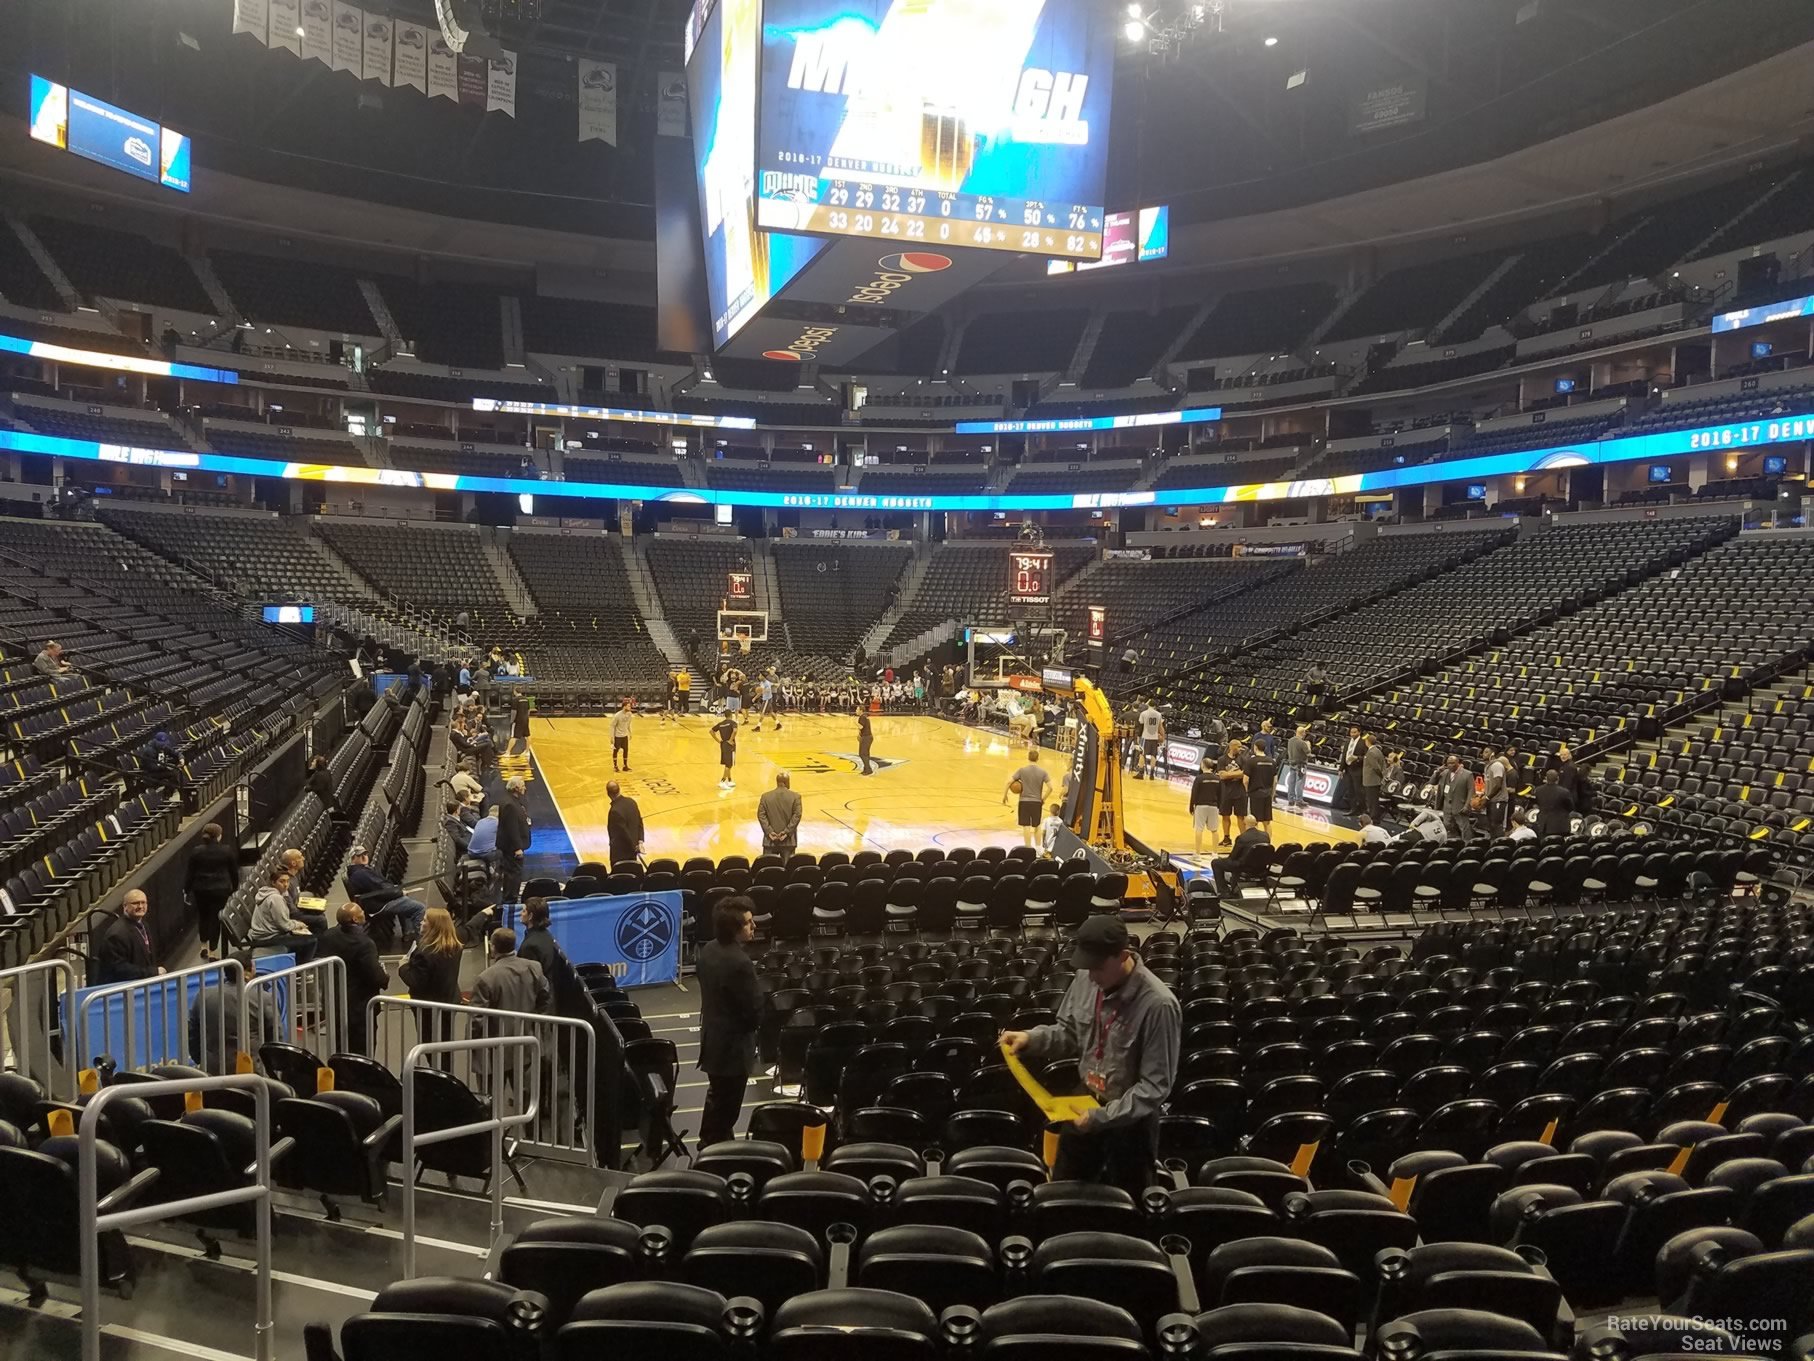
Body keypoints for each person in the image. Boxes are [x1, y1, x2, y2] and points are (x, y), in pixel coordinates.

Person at [1000, 916, 1181, 1198]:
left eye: (1097, 967)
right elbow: (1069, 1034)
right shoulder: (1086, 978)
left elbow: (1155, 1087)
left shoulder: (1158, 1005)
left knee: (1128, 1202)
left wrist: (1102, 1117)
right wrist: (1031, 1039)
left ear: (1123, 956)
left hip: (1130, 1123)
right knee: (1064, 1193)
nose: (1091, 975)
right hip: (1082, 1104)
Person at [696, 896, 760, 1148]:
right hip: (733, 1047)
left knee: (717, 1098)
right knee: (727, 1107)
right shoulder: (740, 963)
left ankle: (711, 1143)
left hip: (713, 1039)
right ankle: (714, 1149)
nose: (753, 926)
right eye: (748, 923)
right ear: (733, 929)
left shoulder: (708, 950)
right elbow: (753, 1008)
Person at [317, 904, 389, 1055]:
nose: (364, 912)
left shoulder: (328, 935)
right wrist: (385, 978)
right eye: (361, 911)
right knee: (363, 1049)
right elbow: (375, 976)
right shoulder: (365, 944)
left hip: (335, 1003)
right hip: (359, 1007)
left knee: (340, 1046)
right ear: (355, 919)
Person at [188, 958, 277, 1074]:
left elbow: (193, 1032)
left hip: (212, 1071)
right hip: (252, 1072)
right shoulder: (263, 998)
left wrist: (199, 1058)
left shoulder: (203, 996)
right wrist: (272, 1066)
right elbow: (274, 1034)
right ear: (246, 972)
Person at [345, 845, 427, 947]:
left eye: (365, 854)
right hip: (378, 905)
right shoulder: (360, 874)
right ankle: (422, 941)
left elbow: (380, 886)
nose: (364, 857)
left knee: (405, 901)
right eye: (360, 855)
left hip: (377, 901)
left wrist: (396, 890)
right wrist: (399, 892)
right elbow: (381, 891)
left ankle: (409, 933)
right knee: (419, 908)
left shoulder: (360, 871)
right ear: (353, 858)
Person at [185, 823, 239, 961]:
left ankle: (203, 946)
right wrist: (235, 888)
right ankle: (213, 951)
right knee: (215, 919)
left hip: (201, 889)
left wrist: (186, 890)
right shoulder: (226, 851)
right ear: (219, 836)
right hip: (220, 890)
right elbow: (234, 872)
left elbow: (190, 873)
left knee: (203, 917)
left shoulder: (196, 851)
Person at [472, 927, 551, 1016]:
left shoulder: (485, 978)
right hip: (528, 1029)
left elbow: (477, 1018)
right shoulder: (535, 967)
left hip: (498, 1029)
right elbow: (545, 1002)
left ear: (493, 947)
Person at [93, 889, 164, 985]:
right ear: (125, 906)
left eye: (143, 902)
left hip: (141, 985)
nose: (140, 906)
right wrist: (152, 972)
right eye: (135, 903)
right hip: (121, 991)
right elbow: (119, 969)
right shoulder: (116, 934)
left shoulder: (143, 925)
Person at [249, 867, 319, 962]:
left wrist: (295, 923)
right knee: (311, 940)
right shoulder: (275, 898)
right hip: (269, 938)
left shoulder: (266, 893)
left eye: (287, 881)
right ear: (273, 883)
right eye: (282, 881)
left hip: (265, 934)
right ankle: (301, 970)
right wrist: (298, 924)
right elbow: (284, 925)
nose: (286, 885)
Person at [1211, 816, 1271, 898]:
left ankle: (1224, 891)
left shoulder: (1242, 837)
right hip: (1261, 867)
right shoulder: (1265, 836)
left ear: (1244, 824)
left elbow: (1233, 857)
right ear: (1256, 823)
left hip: (1243, 867)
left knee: (1216, 863)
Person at [1003, 749, 1051, 848]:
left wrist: (1005, 795)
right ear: (1038, 758)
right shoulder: (1043, 772)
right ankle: (1038, 849)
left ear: (1028, 758)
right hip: (1037, 802)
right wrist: (1043, 798)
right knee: (1037, 826)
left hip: (1024, 802)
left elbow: (1009, 782)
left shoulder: (1022, 770)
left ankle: (1028, 848)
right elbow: (1050, 788)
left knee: (1026, 826)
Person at [496, 777, 532, 904]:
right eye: (523, 785)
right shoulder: (510, 804)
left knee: (513, 873)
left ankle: (510, 898)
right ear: (516, 788)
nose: (525, 788)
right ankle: (510, 900)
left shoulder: (512, 801)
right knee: (513, 874)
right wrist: (517, 847)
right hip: (512, 848)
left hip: (512, 846)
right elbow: (512, 828)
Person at [757, 771, 803, 859]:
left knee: (768, 870)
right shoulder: (796, 797)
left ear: (777, 782)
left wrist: (769, 832)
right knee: (787, 871)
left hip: (770, 840)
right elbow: (797, 816)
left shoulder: (765, 797)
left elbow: (761, 815)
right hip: (788, 841)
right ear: (787, 782)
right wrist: (786, 832)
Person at [517, 897, 559, 981]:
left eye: (524, 911)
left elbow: (527, 980)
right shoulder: (546, 934)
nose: (520, 913)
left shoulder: (529, 946)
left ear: (530, 916)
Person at [1215, 741, 1247, 847]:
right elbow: (1222, 776)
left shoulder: (1243, 759)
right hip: (1226, 792)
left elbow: (1244, 774)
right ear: (1231, 746)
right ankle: (1226, 838)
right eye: (1238, 747)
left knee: (1241, 816)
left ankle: (1243, 839)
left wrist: (1228, 774)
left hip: (1240, 791)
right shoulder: (1222, 759)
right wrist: (1236, 774)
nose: (1240, 748)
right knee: (1225, 815)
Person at [607, 780, 645, 866]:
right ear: (619, 789)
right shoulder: (631, 802)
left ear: (608, 793)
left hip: (620, 855)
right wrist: (640, 842)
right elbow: (640, 822)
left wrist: (633, 847)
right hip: (633, 853)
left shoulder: (614, 811)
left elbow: (623, 833)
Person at [1439, 755, 1475, 841]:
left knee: (1464, 829)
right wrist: (1437, 772)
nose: (1450, 765)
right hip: (1447, 807)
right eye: (1448, 763)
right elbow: (1432, 782)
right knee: (1448, 827)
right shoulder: (1444, 773)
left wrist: (1467, 805)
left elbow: (1471, 791)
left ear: (1458, 763)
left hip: (1460, 806)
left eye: (1452, 763)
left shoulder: (1467, 774)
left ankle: (1467, 845)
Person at [1188, 755, 1219, 854]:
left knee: (1199, 829)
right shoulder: (1217, 779)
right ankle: (1215, 853)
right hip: (1214, 806)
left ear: (1203, 766)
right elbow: (1221, 793)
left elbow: (1194, 793)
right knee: (1214, 830)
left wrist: (1191, 807)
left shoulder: (1199, 778)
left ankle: (1197, 853)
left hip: (1201, 806)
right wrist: (1220, 806)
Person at [1533, 769, 1575, 839]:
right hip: (1561, 826)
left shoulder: (1538, 790)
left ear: (1546, 778)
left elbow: (1537, 803)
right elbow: (1571, 807)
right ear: (1558, 778)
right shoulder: (1564, 792)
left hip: (1544, 825)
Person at [1247, 741, 1278, 829]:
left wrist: (1246, 791)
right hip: (1267, 794)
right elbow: (1275, 781)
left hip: (1254, 794)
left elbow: (1246, 780)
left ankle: (1255, 841)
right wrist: (1272, 794)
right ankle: (1268, 842)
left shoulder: (1251, 761)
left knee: (1253, 821)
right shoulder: (1272, 761)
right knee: (1267, 822)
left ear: (1255, 747)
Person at [1482, 746, 1510, 837]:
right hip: (1491, 800)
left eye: (1486, 752)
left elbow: (1497, 785)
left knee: (1496, 824)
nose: (1483, 754)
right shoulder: (1487, 766)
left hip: (1499, 800)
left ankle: (1499, 845)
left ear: (1492, 754)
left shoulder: (1497, 765)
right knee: (1491, 825)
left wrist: (1487, 797)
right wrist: (1484, 794)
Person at [1284, 724, 1311, 811]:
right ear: (1303, 733)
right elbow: (1308, 753)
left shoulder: (1290, 740)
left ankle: (1291, 799)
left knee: (1291, 782)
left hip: (1291, 762)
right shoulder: (1302, 742)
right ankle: (1299, 800)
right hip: (1301, 764)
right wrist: (1308, 745)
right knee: (1300, 781)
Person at [1340, 726, 1365, 814]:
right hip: (1348, 769)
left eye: (1355, 732)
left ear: (1359, 732)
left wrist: (1357, 758)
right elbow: (1344, 756)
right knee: (1350, 790)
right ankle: (1353, 809)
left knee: (1359, 791)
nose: (1353, 734)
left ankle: (1362, 810)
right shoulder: (1347, 742)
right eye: (1351, 732)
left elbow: (1366, 757)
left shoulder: (1363, 743)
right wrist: (1341, 769)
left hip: (1358, 770)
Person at [1360, 736, 1387, 821]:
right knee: (1374, 800)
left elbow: (1376, 767)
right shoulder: (1378, 751)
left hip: (1371, 780)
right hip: (1375, 780)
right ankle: (1374, 816)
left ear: (1368, 742)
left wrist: (1381, 775)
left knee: (1372, 801)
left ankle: (1373, 817)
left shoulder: (1371, 752)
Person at [1136, 699, 1163, 779]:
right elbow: (1159, 726)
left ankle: (1141, 773)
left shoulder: (1143, 713)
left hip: (1145, 736)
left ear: (1148, 705)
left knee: (1142, 754)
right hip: (1154, 737)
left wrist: (1138, 736)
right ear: (1155, 706)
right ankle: (1151, 774)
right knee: (1153, 755)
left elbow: (1141, 726)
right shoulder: (1159, 714)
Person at [712, 711, 739, 789]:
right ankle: (722, 781)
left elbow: (711, 731)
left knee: (727, 762)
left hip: (723, 744)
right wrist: (731, 740)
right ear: (731, 715)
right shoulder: (733, 723)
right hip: (730, 745)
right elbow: (735, 731)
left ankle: (729, 780)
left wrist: (718, 740)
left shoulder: (721, 723)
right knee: (729, 764)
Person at [611, 698, 635, 772]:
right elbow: (612, 726)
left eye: (630, 706)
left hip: (625, 736)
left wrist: (630, 733)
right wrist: (612, 737)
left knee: (626, 750)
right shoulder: (617, 715)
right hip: (618, 736)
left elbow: (628, 724)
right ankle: (615, 766)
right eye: (628, 706)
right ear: (624, 706)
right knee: (616, 751)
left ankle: (625, 766)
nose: (629, 708)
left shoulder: (630, 714)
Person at [857, 709, 876, 774]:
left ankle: (868, 770)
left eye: (857, 709)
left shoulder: (862, 717)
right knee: (865, 754)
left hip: (866, 738)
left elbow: (861, 727)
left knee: (862, 754)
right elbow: (864, 728)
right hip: (868, 737)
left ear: (861, 710)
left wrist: (854, 722)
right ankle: (865, 769)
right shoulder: (865, 716)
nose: (856, 710)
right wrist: (859, 735)